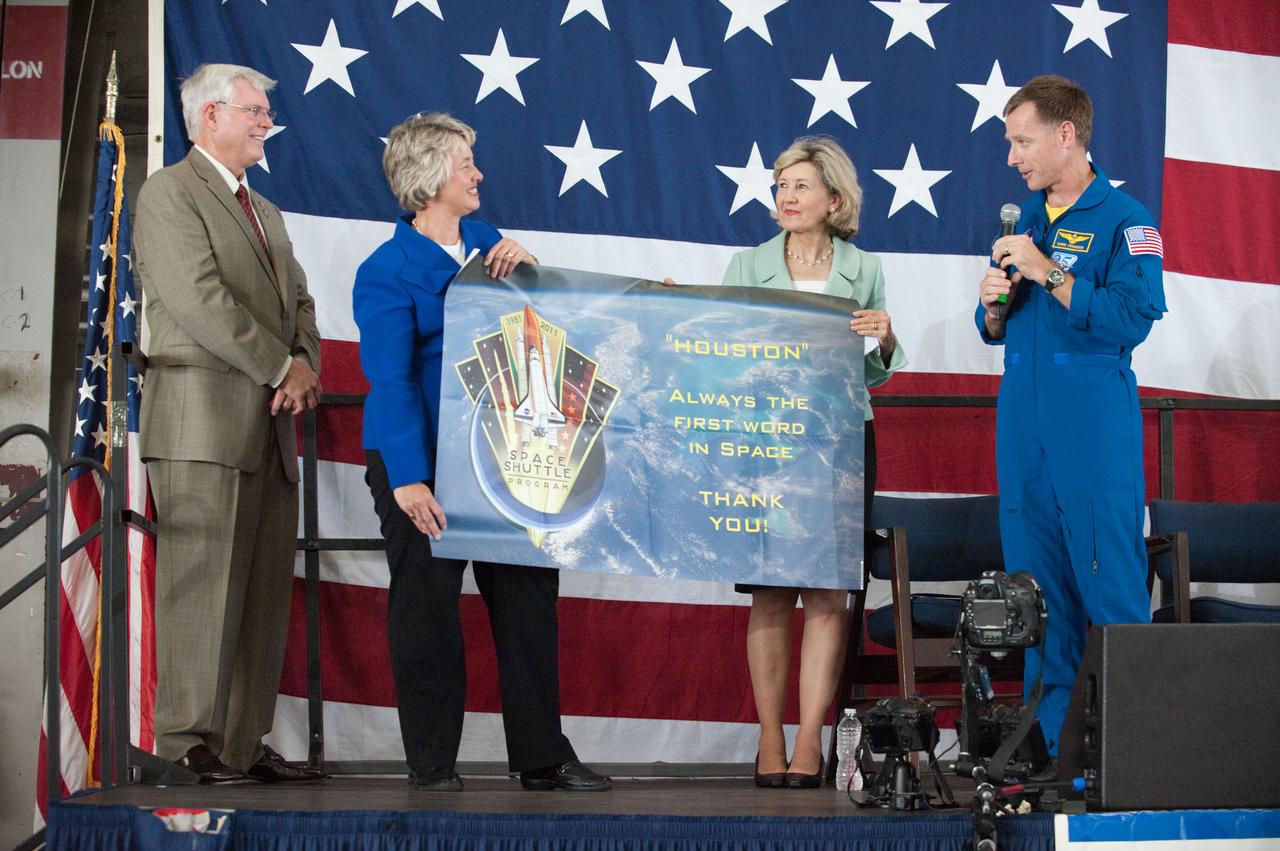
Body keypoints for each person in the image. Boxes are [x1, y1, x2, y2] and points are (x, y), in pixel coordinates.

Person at [353, 112, 611, 792]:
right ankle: (432, 762)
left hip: (506, 453)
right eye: (467, 163)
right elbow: (392, 379)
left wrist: (533, 274)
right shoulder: (385, 270)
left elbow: (548, 337)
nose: (479, 174)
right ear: (431, 176)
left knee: (528, 600)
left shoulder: (493, 243)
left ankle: (542, 757)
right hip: (422, 461)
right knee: (429, 610)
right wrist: (408, 478)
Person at [134, 63, 323, 784]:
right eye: (254, 109)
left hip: (269, 427)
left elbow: (299, 301)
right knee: (202, 588)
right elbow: (198, 299)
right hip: (201, 423)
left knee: (260, 594)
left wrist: (301, 363)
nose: (265, 121)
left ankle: (241, 743)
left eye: (265, 111)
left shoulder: (264, 210)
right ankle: (186, 740)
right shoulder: (169, 194)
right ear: (209, 114)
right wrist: (283, 368)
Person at [976, 75, 1166, 756]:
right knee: (1037, 602)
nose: (1012, 157)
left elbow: (1132, 318)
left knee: (1110, 590)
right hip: (1023, 432)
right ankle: (1055, 757)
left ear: (1067, 135)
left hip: (1091, 432)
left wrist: (1049, 271)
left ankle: (1135, 757)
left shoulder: (1126, 219)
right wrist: (994, 305)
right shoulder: (1026, 220)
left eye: (1022, 140)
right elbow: (995, 325)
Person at [719, 136, 906, 787]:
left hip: (838, 445)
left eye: (801, 186)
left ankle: (810, 741)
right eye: (781, 187)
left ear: (834, 196)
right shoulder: (746, 265)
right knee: (771, 593)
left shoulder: (864, 267)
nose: (787, 198)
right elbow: (721, 354)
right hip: (765, 443)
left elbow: (876, 373)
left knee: (829, 592)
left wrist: (883, 337)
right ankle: (769, 737)